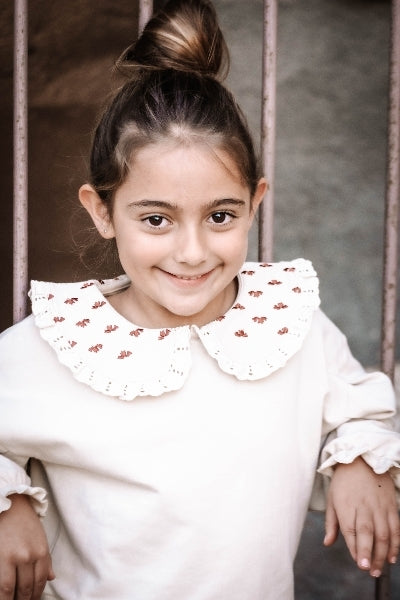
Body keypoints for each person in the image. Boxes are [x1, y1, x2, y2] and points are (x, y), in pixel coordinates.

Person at [1, 1, 399, 598]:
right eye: (156, 219)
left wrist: (360, 460)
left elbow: (359, 410)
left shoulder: (286, 324)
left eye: (219, 216)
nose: (191, 253)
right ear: (101, 211)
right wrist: (7, 501)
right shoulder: (55, 345)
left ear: (254, 203)